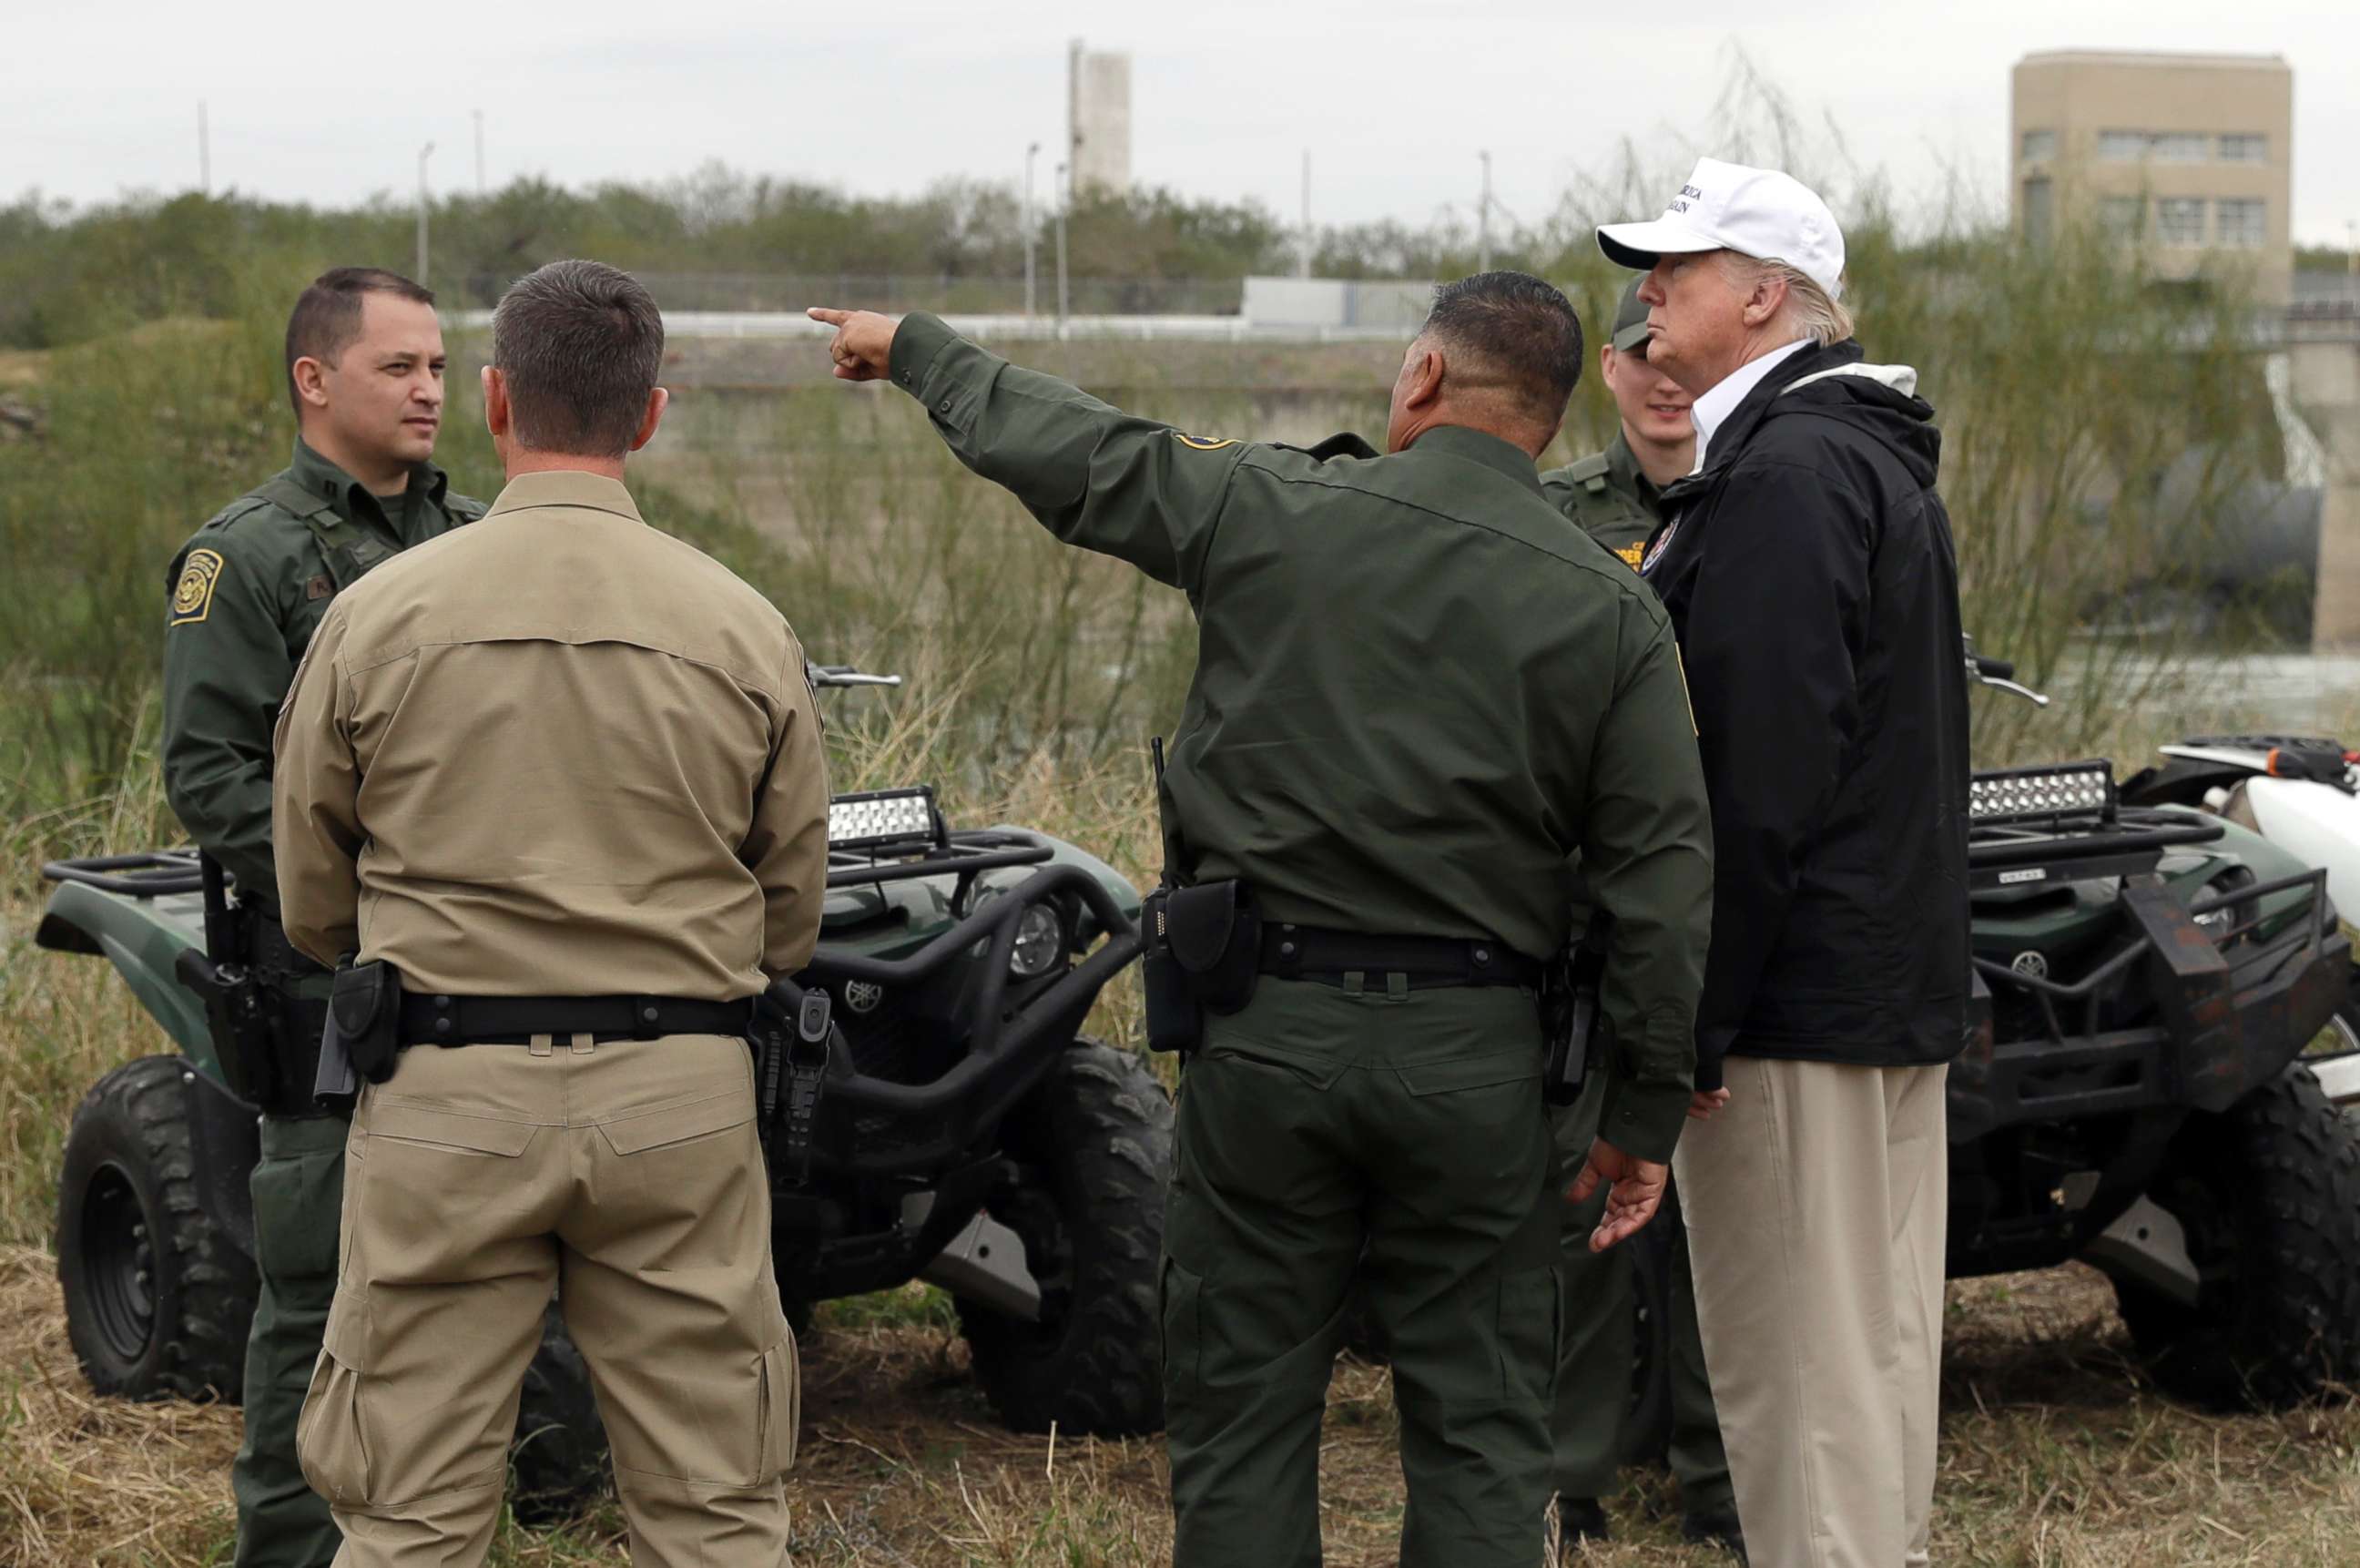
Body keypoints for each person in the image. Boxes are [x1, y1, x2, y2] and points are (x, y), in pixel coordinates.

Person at [808, 273, 1714, 1568]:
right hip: (1485, 1064)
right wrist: (1645, 1113)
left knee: (1242, 1417)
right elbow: (1666, 878)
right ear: (1554, 409)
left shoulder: (1270, 505)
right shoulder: (1614, 605)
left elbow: (1079, 451)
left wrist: (918, 351)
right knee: (1480, 1429)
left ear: (1418, 380)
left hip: (1267, 1040)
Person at [274, 259, 829, 1567]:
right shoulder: (744, 626)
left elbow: (311, 891)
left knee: (407, 1515)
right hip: (679, 1100)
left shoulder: (376, 614)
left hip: (443, 1096)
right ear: (649, 415)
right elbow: (791, 906)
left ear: (494, 400)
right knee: (714, 1516)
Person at [1595, 158, 1970, 1568]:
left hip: (1793, 1012)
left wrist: (1683, 1025)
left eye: (1676, 272)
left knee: (1802, 1388)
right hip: (1867, 987)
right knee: (1863, 1370)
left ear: (1762, 298)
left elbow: (1750, 787)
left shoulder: (1787, 477)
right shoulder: (1849, 457)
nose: (1647, 293)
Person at [160, 265, 483, 1568]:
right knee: (316, 1288)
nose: (428, 390)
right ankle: (290, 1546)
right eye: (399, 366)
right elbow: (213, 776)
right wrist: (360, 898)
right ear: (315, 378)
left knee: (490, 1271)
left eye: (442, 368)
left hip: (486, 971)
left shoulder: (479, 537)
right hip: (328, 980)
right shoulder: (245, 557)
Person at [1538, 274, 1734, 1561]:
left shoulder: (1768, 499)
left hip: (1736, 904)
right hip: (1591, 908)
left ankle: (1726, 1471)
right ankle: (1574, 1468)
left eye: (1680, 355)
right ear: (1607, 371)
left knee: (1733, 1213)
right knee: (1589, 1202)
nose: (1662, 379)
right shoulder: (1553, 518)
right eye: (1638, 355)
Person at [1541, 274, 1694, 565]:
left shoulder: (1755, 497)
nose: (1669, 384)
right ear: (1610, 365)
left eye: (1684, 358)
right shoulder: (1553, 507)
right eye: (1646, 358)